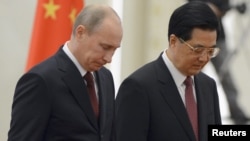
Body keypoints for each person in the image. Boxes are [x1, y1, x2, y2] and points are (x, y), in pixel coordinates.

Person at [8, 4, 123, 141]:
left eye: (114, 50)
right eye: (105, 47)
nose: (109, 58)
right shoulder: (40, 80)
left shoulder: (106, 77)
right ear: (80, 33)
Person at [115, 1, 221, 141]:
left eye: (210, 51)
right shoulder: (138, 87)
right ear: (173, 41)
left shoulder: (208, 86)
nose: (204, 58)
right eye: (198, 50)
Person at [188, 0, 249, 124]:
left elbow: (222, 8)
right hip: (197, 38)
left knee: (226, 77)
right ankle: (187, 111)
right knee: (192, 75)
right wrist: (206, 7)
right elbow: (192, 7)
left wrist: (220, 9)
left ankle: (236, 112)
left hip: (218, 38)